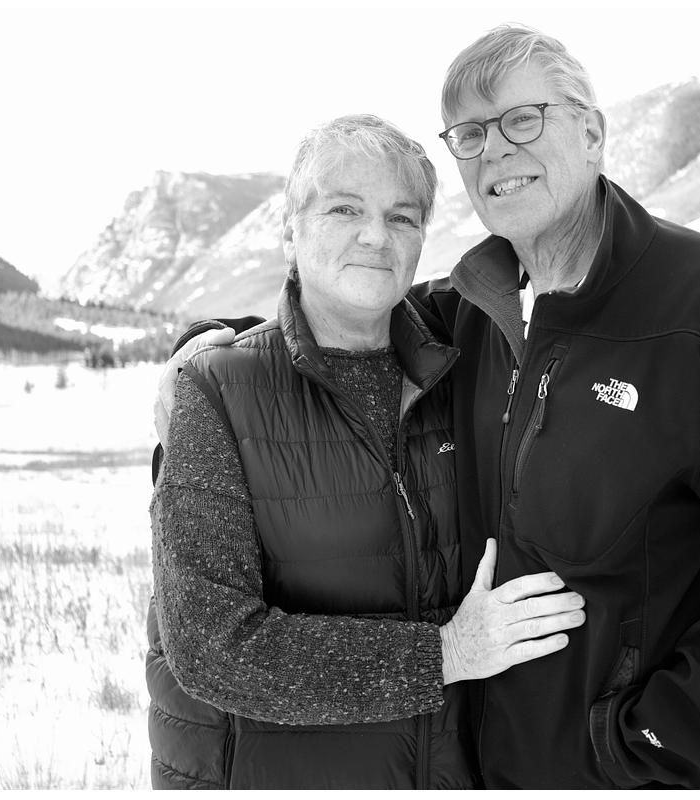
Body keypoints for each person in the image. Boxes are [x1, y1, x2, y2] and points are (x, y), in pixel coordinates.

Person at [156, 25, 700, 789]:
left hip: (651, 772)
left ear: (592, 133)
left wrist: (674, 736)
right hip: (494, 770)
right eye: (472, 134)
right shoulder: (471, 314)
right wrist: (205, 353)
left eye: (524, 119)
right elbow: (334, 316)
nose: (497, 151)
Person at [147, 113, 587, 790]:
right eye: (344, 209)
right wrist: (446, 653)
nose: (376, 236)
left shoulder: (457, 364)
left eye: (401, 217)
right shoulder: (218, 391)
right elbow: (213, 647)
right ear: (290, 230)